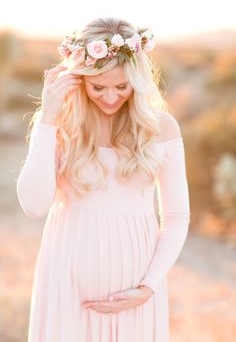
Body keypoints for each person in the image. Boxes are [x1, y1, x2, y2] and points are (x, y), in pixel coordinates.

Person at [16, 17, 190, 342]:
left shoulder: (161, 128)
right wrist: (49, 117)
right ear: (80, 81)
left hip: (137, 296)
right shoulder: (61, 124)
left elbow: (176, 217)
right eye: (98, 87)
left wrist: (148, 286)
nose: (110, 97)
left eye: (121, 87)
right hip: (66, 290)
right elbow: (34, 205)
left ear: (137, 82)